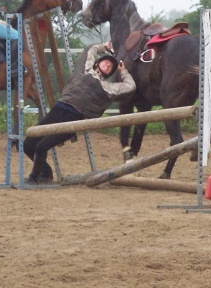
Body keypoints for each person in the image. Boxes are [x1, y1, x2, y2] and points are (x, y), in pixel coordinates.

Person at [23, 42, 136, 184]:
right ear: (97, 63)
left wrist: (122, 71)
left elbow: (130, 86)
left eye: (111, 67)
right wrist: (105, 47)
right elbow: (91, 49)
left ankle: (33, 178)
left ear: (109, 74)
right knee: (28, 145)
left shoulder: (108, 88)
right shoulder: (85, 68)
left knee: (41, 146)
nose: (108, 65)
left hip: (74, 118)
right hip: (59, 108)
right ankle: (46, 173)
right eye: (106, 62)